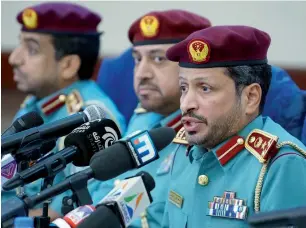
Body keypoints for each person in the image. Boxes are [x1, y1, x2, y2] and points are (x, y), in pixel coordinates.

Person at [161, 25, 306, 228]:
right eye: (184, 88)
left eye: (205, 88)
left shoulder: (281, 165)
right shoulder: (185, 151)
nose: (186, 104)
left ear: (250, 97)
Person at [3, 2, 126, 220]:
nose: (14, 58)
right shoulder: (35, 103)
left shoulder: (92, 118)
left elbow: (77, 210)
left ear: (68, 64)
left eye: (31, 49)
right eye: (19, 45)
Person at [90, 9, 212, 228]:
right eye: (137, 59)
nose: (142, 73)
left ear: (193, 67)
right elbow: (102, 192)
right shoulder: (143, 118)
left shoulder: (207, 134)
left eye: (158, 59)